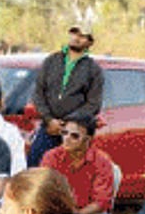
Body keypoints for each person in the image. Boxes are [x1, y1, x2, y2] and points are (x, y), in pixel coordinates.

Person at [40, 114, 115, 214]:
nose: (66, 138)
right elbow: (44, 190)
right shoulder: (51, 157)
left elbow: (101, 202)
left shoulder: (101, 161)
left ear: (88, 140)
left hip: (90, 213)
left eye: (74, 136)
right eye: (64, 132)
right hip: (59, 211)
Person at [27, 25, 104, 167]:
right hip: (48, 129)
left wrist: (68, 124)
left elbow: (93, 104)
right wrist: (49, 120)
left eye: (82, 35)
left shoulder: (93, 69)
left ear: (89, 42)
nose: (76, 37)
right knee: (34, 170)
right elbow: (38, 93)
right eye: (74, 33)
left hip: (75, 134)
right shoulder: (51, 61)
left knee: (69, 177)